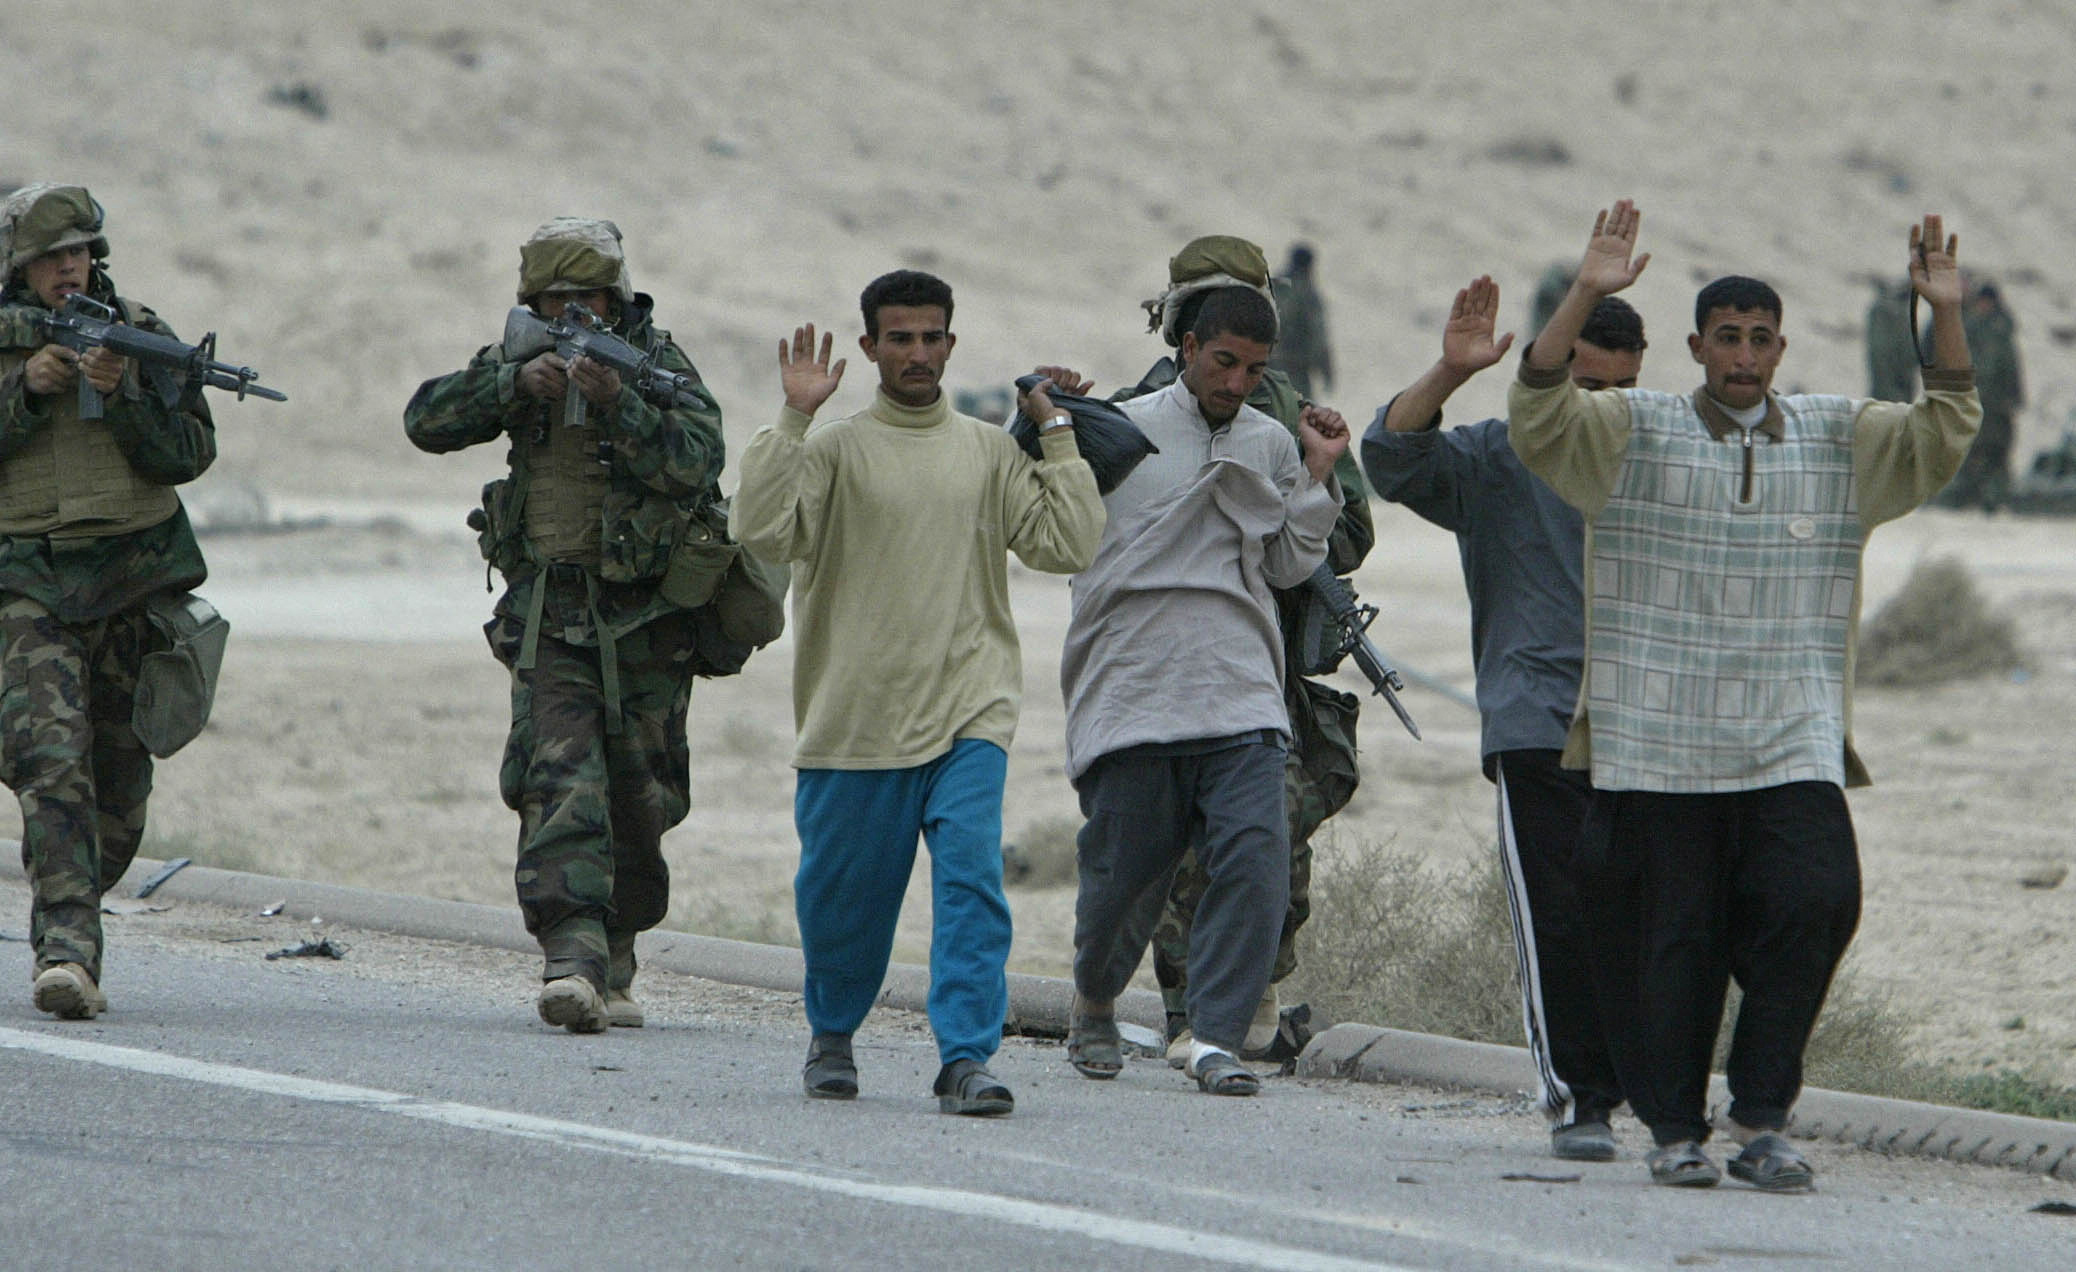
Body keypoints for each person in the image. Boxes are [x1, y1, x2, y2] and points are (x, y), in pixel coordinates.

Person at [1508, 200, 1979, 1191]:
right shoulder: (1631, 432)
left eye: (1762, 339)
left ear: (1780, 348)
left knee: (1818, 900)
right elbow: (1540, 410)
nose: (1746, 355)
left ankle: (1763, 1114)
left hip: (1789, 738)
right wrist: (1587, 294)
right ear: (1696, 346)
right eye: (1728, 337)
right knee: (1668, 947)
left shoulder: (1836, 438)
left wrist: (1942, 314)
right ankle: (1678, 1132)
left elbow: (1943, 430)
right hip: (1656, 742)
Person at [730, 270, 1103, 1117]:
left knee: (971, 882)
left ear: (951, 345)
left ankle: (966, 1058)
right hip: (854, 718)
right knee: (843, 908)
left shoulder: (988, 451)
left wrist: (1057, 434)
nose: (918, 353)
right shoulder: (830, 451)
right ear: (869, 349)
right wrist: (795, 416)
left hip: (971, 708)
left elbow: (1069, 541)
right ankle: (832, 1036)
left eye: (933, 337)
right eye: (900, 339)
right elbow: (755, 527)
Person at [405, 217, 725, 1033]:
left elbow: (699, 457)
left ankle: (615, 953)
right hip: (553, 618)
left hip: (647, 623)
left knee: (640, 796)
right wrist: (513, 388)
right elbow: (425, 420)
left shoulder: (657, 366)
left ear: (614, 301)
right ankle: (572, 956)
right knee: (557, 785)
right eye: (556, 302)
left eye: (587, 300)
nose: (574, 315)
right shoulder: (520, 362)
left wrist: (623, 409)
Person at [1363, 278, 1644, 1162]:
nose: (1604, 411)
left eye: (1622, 393)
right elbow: (1393, 457)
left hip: (1650, 727)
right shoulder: (1498, 455)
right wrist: (1450, 370)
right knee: (1559, 918)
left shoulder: (1661, 458)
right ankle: (1579, 1101)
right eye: (1585, 390)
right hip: (1535, 723)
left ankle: (1657, 1094)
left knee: (1653, 918)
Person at [1063, 283, 1347, 1097]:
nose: (1236, 382)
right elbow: (1055, 522)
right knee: (1126, 874)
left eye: (1254, 369)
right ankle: (1094, 1002)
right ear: (1187, 349)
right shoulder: (1122, 429)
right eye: (1223, 362)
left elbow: (1291, 565)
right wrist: (1045, 421)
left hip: (1239, 684)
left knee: (1257, 858)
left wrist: (1320, 479)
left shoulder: (1268, 443)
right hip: (1134, 679)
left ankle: (1214, 1036)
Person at [1115, 234, 1373, 1064]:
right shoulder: (1135, 416)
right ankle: (1189, 1010)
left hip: (1261, 662)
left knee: (1267, 839)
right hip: (1162, 663)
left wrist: (1301, 493)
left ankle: (1240, 1005)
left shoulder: (1284, 410)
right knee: (1166, 841)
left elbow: (1353, 530)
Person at [0, 184, 218, 1019]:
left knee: (118, 795)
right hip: (27, 585)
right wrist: (30, 388)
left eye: (82, 252)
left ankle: (76, 894)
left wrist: (124, 391)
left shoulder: (140, 334)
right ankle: (68, 951)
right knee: (51, 764)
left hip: (132, 584)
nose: (70, 268)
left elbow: (189, 451)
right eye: (54, 256)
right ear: (21, 266)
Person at [1931, 276, 2023, 509]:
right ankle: (1965, 495)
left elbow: (2011, 366)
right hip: (1972, 398)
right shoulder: (1969, 329)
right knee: (1970, 448)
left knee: (1997, 449)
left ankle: (1995, 497)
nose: (1983, 306)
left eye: (1987, 302)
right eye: (1981, 302)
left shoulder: (2001, 332)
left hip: (1997, 402)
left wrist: (2015, 395)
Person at [1268, 243, 1333, 398]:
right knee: (1298, 414)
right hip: (1295, 370)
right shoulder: (1308, 293)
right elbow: (1318, 334)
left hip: (1265, 366)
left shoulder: (1273, 285)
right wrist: (1326, 371)